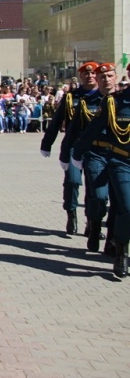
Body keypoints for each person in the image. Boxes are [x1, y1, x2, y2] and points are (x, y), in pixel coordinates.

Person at [72, 63, 130, 278]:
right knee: (126, 207)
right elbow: (92, 131)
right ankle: (122, 250)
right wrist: (76, 154)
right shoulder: (116, 103)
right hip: (122, 162)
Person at [61, 63, 117, 252]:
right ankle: (88, 222)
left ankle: (113, 240)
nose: (95, 77)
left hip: (118, 156)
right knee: (88, 189)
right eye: (89, 74)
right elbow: (75, 129)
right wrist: (66, 152)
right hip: (91, 151)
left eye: (108, 76)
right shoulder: (83, 100)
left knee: (119, 201)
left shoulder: (120, 99)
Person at [40, 62, 100, 234]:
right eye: (86, 74)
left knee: (94, 188)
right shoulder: (71, 97)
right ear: (80, 77)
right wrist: (46, 144)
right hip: (74, 146)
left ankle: (91, 221)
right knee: (73, 181)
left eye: (92, 73)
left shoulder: (105, 98)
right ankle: (71, 213)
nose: (90, 76)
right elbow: (57, 121)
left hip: (96, 148)